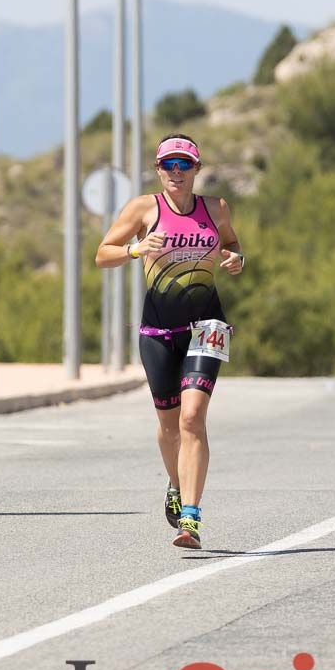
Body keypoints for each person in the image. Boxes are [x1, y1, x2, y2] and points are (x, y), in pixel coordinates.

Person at [95, 134, 244, 549]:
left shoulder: (215, 208)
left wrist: (236, 258)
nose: (176, 173)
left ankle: (191, 518)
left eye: (184, 165)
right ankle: (175, 486)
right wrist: (136, 248)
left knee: (192, 417)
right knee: (169, 425)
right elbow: (102, 253)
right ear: (159, 170)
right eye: (168, 166)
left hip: (208, 324)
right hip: (158, 330)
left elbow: (232, 244)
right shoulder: (145, 208)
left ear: (197, 169)